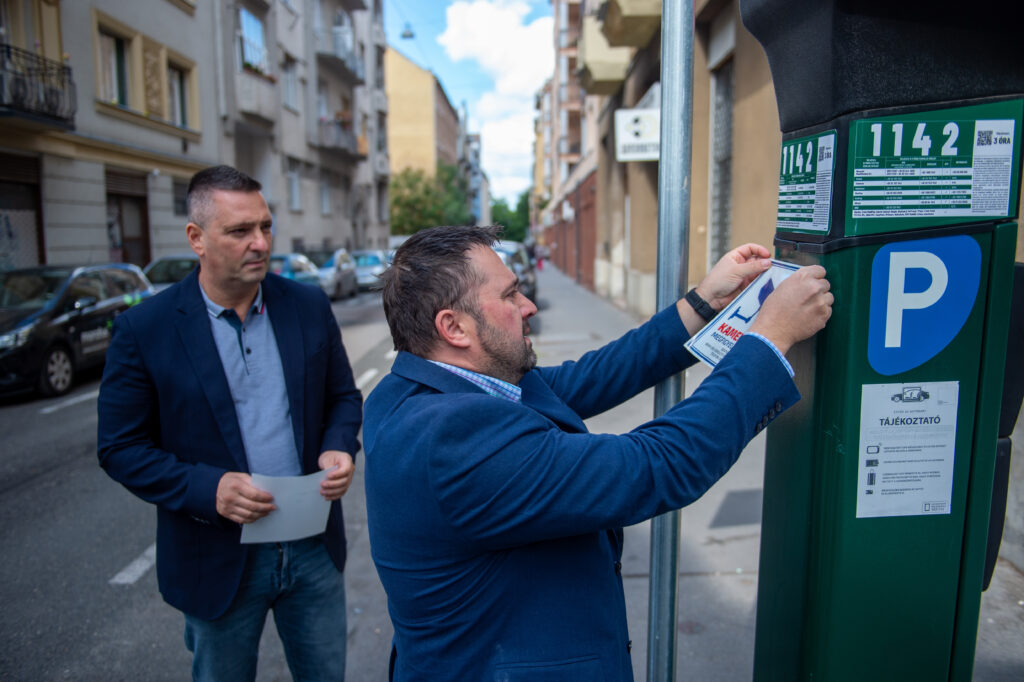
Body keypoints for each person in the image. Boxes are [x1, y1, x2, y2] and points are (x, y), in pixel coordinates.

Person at [363, 225, 833, 681]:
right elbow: (657, 465)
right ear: (454, 327)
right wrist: (769, 340)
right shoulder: (452, 441)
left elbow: (596, 374)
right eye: (509, 295)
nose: (528, 306)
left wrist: (703, 302)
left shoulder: (417, 388)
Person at [97, 165, 362, 681]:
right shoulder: (144, 330)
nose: (260, 243)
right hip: (215, 559)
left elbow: (343, 397)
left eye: (265, 227)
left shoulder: (306, 305)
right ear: (196, 238)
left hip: (311, 547)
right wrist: (208, 488)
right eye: (240, 231)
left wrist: (339, 446)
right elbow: (121, 448)